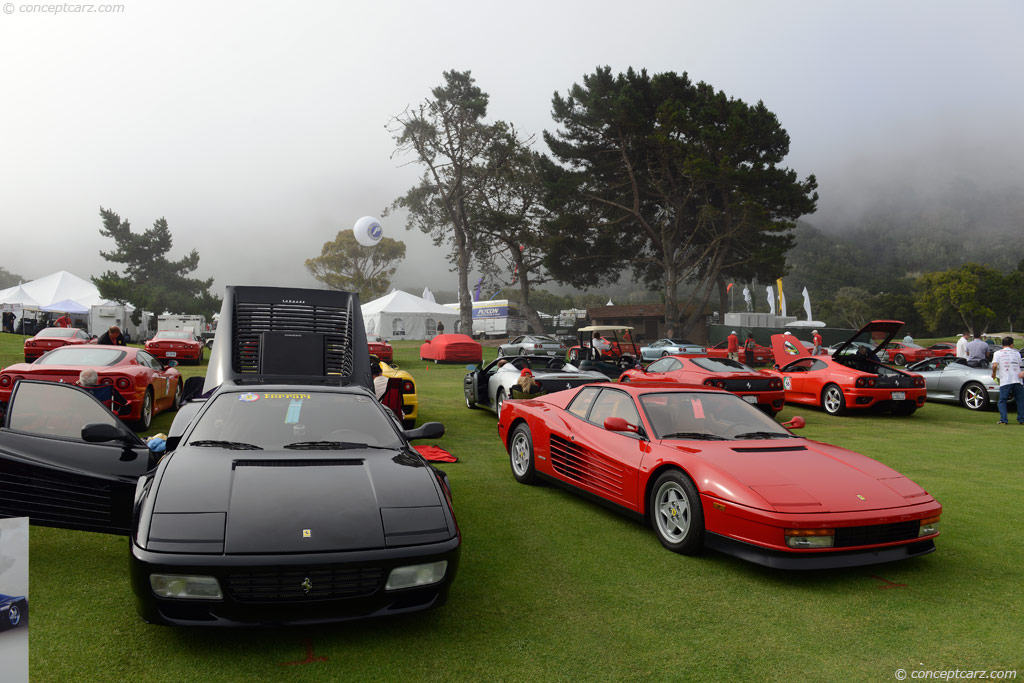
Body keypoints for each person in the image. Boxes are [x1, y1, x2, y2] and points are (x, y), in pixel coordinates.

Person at [991, 336, 1024, 425]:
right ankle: (1021, 419)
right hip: (1018, 379)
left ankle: (1004, 419)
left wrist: (993, 373)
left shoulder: (998, 353)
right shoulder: (1017, 353)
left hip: (1006, 379)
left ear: (1002, 345)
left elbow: (994, 365)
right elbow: (1020, 364)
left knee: (1002, 400)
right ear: (1012, 344)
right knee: (1020, 400)